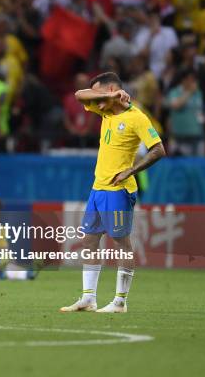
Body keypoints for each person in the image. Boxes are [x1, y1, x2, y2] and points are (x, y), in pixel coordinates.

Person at [60, 72, 165, 313]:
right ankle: (88, 298)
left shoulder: (137, 117)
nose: (95, 102)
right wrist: (107, 96)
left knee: (121, 244)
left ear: (111, 91)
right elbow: (78, 95)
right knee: (89, 240)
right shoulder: (105, 109)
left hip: (118, 190)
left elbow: (158, 150)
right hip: (98, 188)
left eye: (100, 94)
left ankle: (120, 301)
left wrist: (132, 170)